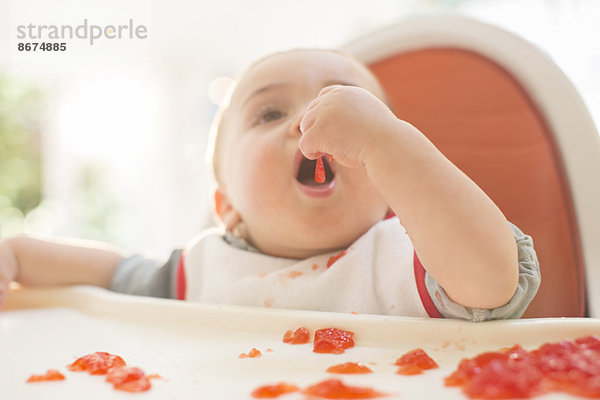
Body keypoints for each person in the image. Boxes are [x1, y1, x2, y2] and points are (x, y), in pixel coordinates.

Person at [0, 49, 540, 321]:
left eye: (351, 110)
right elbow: (111, 272)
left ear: (392, 191)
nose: (309, 120)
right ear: (227, 206)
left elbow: (494, 283)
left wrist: (392, 146)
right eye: (270, 113)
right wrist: (17, 255)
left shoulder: (409, 259)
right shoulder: (203, 273)